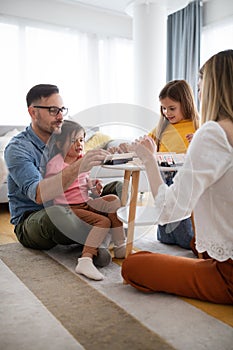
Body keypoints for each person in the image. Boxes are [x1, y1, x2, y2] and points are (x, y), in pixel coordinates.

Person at [121, 49, 233, 304]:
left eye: (203, 88)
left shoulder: (211, 132)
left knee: (134, 265)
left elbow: (169, 210)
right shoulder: (166, 127)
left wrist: (149, 160)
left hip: (228, 275)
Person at [4, 84, 122, 269]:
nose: (60, 116)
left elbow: (82, 173)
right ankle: (101, 238)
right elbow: (39, 195)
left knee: (117, 189)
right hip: (35, 216)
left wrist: (92, 184)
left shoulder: (64, 139)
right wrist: (78, 167)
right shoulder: (18, 149)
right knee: (58, 215)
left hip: (74, 205)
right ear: (33, 112)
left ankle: (97, 239)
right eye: (53, 110)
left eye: (61, 110)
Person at [109, 80, 199, 249]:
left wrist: (196, 141)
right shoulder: (161, 128)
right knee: (164, 237)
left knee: (185, 236)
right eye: (163, 108)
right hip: (162, 179)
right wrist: (128, 148)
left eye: (172, 108)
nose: (166, 113)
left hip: (182, 180)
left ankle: (193, 241)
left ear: (186, 104)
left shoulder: (197, 126)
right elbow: (144, 146)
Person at [45, 120, 126, 280]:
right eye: (73, 140)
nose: (79, 144)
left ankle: (120, 244)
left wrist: (93, 187)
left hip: (86, 202)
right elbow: (52, 189)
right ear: (60, 144)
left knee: (113, 200)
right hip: (70, 208)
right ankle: (85, 259)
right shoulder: (56, 164)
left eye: (81, 140)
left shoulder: (82, 159)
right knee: (103, 222)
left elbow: (83, 183)